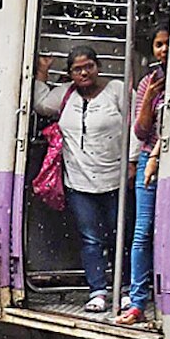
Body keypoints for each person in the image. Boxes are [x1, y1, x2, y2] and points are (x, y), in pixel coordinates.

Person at [34, 45, 127, 314]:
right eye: (77, 69)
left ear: (98, 67)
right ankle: (97, 291)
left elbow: (135, 126)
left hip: (116, 179)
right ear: (70, 73)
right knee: (90, 238)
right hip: (78, 182)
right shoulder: (65, 95)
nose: (84, 72)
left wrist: (132, 163)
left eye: (89, 66)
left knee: (119, 236)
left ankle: (125, 291)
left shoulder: (117, 91)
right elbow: (40, 103)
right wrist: (42, 71)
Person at [117, 24, 170, 326]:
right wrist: (149, 96)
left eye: (168, 43)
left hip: (167, 160)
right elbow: (140, 130)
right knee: (142, 233)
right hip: (150, 160)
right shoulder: (150, 82)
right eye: (158, 45)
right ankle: (137, 303)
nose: (163, 50)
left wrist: (155, 156)